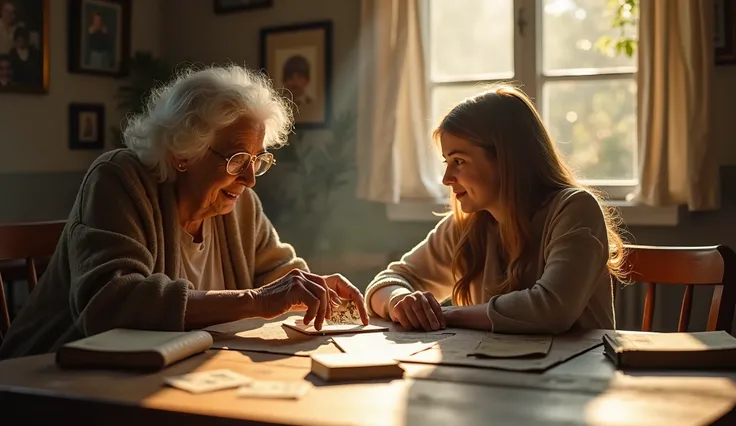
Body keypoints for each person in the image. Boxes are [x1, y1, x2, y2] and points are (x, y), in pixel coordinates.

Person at [0, 65, 368, 360]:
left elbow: (275, 273)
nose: (250, 178)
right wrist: (256, 300)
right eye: (238, 159)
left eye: (258, 160)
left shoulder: (237, 205)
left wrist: (310, 287)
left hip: (158, 378)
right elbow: (109, 303)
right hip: (48, 381)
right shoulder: (119, 180)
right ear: (182, 154)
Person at [365, 84, 627, 334]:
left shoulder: (574, 210)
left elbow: (551, 309)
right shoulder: (467, 224)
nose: (446, 178)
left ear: (505, 159)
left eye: (458, 161)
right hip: (497, 374)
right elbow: (387, 281)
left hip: (576, 376)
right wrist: (401, 301)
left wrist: (447, 314)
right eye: (446, 161)